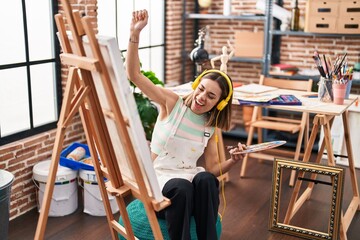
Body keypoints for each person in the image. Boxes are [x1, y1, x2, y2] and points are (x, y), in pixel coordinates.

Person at [126, 10, 245, 240]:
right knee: (182, 187)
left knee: (207, 180)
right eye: (202, 89)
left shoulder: (210, 126)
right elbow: (134, 75)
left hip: (188, 184)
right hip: (159, 180)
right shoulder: (171, 103)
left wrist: (233, 160)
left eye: (211, 97)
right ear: (196, 85)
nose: (202, 98)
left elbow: (212, 169)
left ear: (219, 105)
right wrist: (135, 33)